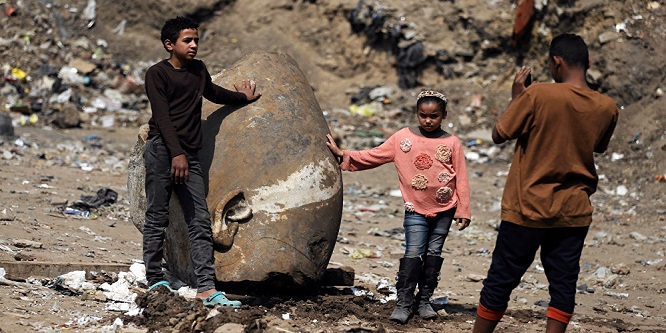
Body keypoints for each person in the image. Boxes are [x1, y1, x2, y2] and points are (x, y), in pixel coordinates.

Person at [472, 34, 619, 333]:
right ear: (588, 63)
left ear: (556, 62)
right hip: (574, 210)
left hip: (527, 206)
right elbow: (596, 146)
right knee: (563, 284)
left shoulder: (538, 95)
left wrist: (517, 97)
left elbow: (500, 133)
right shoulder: (607, 107)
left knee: (501, 279)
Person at [142, 16, 261, 308]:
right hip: (162, 152)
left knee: (199, 221)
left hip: (189, 157)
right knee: (157, 217)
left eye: (196, 39)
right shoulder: (157, 74)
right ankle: (155, 279)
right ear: (170, 44)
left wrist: (241, 98)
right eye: (187, 40)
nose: (194, 45)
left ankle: (207, 288)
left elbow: (214, 92)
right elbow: (162, 117)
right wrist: (176, 154)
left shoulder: (198, 70)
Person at [326, 90, 471, 324]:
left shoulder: (452, 142)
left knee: (433, 255)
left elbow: (461, 178)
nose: (428, 120)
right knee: (413, 254)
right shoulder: (402, 138)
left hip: (445, 209)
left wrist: (464, 209)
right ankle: (404, 303)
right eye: (423, 115)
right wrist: (344, 154)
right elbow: (374, 155)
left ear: (444, 115)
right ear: (416, 114)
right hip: (415, 209)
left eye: (434, 116)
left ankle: (424, 301)